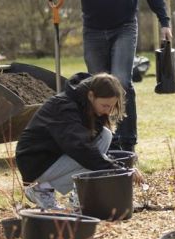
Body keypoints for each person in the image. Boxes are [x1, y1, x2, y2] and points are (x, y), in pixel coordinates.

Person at [48, 0, 172, 154]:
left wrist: (165, 21)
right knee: (98, 88)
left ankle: (127, 141)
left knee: (121, 82)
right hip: (93, 30)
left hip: (124, 27)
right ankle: (108, 141)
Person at [16, 72, 136, 209]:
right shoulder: (65, 107)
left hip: (57, 155)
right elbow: (81, 149)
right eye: (105, 106)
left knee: (105, 135)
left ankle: (79, 192)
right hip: (35, 161)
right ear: (91, 95)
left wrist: (119, 166)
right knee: (91, 159)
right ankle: (41, 189)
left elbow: (90, 148)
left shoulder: (88, 105)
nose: (108, 112)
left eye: (111, 106)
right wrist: (116, 169)